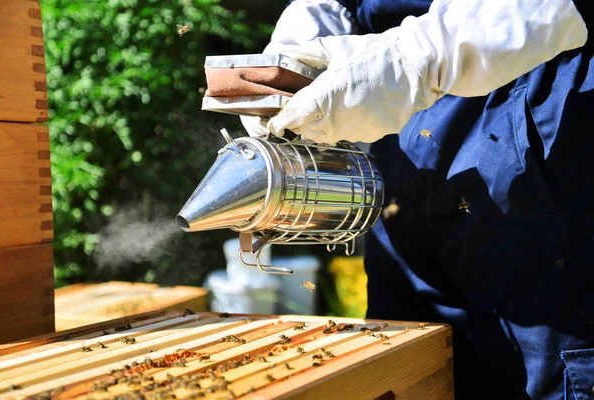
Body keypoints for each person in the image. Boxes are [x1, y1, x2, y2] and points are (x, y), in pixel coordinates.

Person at [241, 0, 594, 398]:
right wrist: (306, 30)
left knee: (540, 371)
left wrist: (418, 56)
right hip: (402, 136)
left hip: (534, 91)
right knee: (404, 366)